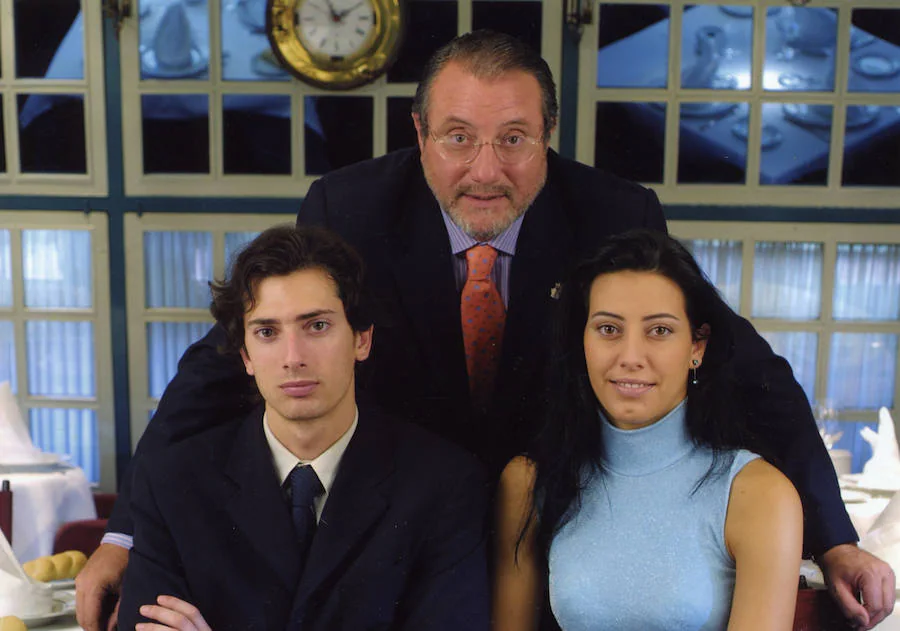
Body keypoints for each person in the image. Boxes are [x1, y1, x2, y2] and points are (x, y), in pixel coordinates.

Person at [77, 30, 893, 631]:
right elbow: (229, 357)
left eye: (513, 140)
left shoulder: (613, 212)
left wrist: (836, 537)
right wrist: (124, 532)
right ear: (421, 136)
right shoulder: (351, 206)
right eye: (459, 139)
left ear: (547, 139)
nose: (485, 170)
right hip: (396, 517)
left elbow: (749, 368)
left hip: (561, 521)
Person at [117, 225, 489, 630]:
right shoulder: (172, 482)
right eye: (267, 332)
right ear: (245, 355)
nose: (293, 357)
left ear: (362, 339)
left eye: (316, 326)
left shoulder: (444, 484)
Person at [493, 230, 804, 630]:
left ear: (697, 347)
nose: (630, 357)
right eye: (609, 329)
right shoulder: (528, 482)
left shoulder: (758, 494)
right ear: (581, 340)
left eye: (659, 331)